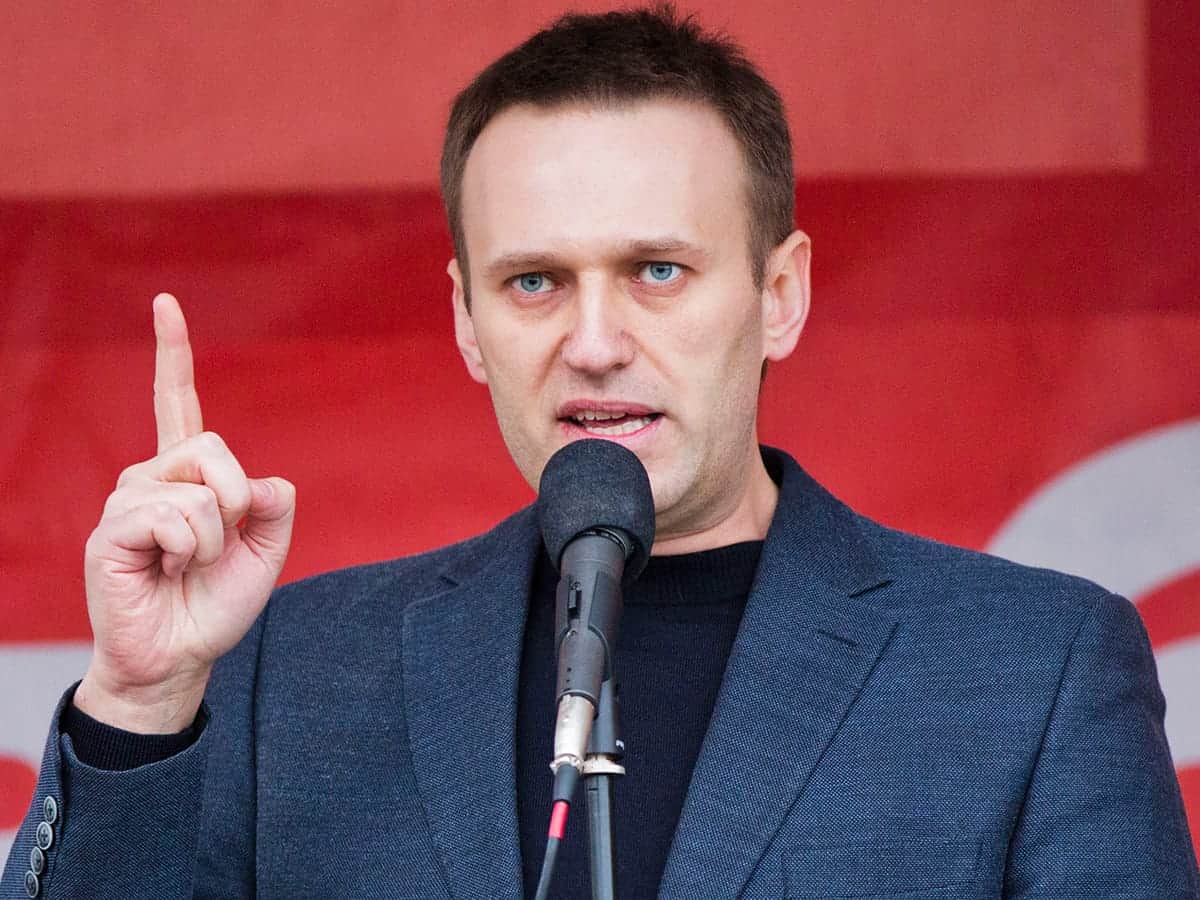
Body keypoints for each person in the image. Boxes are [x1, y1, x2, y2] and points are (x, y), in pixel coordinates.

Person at [4, 6, 1198, 899]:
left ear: (780, 294)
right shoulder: (286, 674)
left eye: (656, 270)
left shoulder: (1033, 668)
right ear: (467, 320)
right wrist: (139, 704)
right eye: (534, 281)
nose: (591, 342)